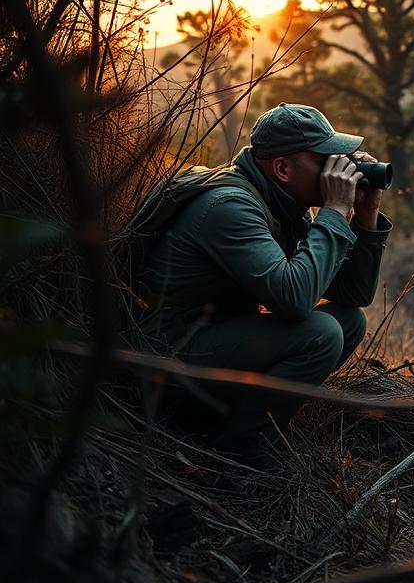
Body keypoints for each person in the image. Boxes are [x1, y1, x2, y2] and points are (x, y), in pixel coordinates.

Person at [137, 103, 392, 466]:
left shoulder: (282, 204)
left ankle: (235, 415)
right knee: (321, 333)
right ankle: (239, 449)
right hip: (165, 360)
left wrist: (365, 214)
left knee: (350, 321)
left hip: (208, 340)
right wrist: (334, 211)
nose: (337, 169)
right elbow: (295, 299)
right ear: (283, 168)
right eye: (325, 159)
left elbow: (354, 295)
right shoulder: (230, 207)